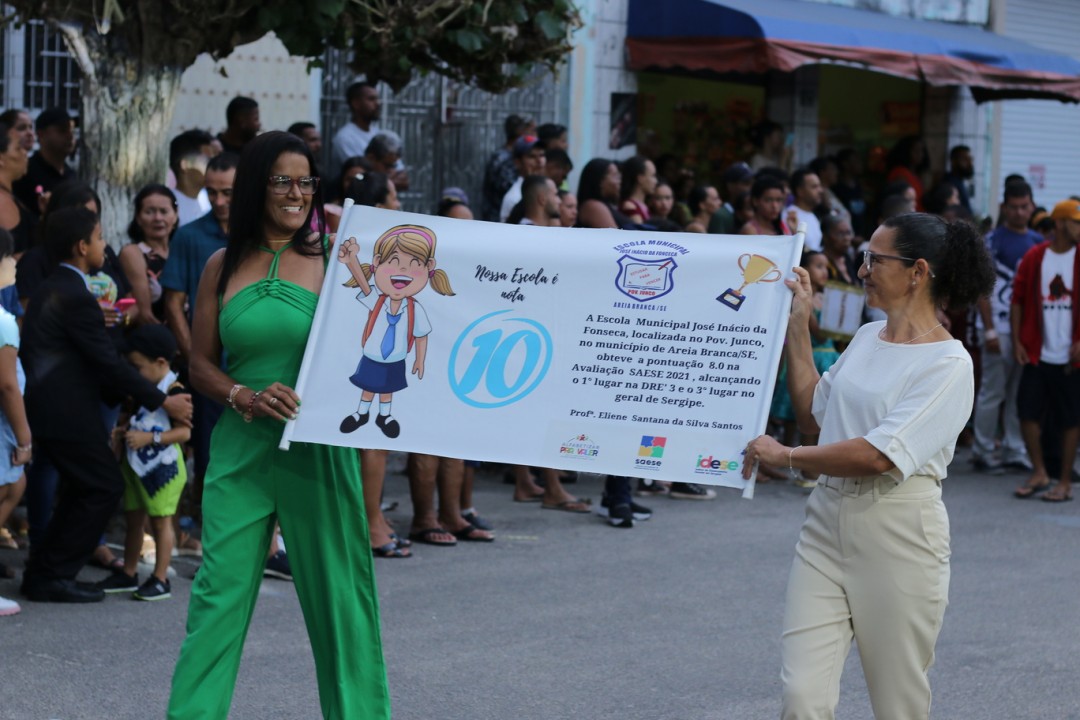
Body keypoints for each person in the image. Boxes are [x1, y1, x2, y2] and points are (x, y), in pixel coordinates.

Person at [168, 131, 390, 718]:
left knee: (340, 604)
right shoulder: (220, 265)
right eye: (282, 181)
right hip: (240, 451)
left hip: (317, 451)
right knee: (216, 600)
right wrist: (242, 395)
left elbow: (387, 324)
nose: (297, 193)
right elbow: (200, 364)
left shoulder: (336, 257)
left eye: (306, 181)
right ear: (256, 187)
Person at [744, 212, 994, 719]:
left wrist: (786, 456)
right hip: (824, 526)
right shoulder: (865, 337)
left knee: (897, 704)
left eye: (875, 260)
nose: (862, 270)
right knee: (802, 698)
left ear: (917, 271)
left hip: (900, 535)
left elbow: (879, 454)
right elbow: (813, 413)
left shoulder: (949, 364)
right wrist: (798, 326)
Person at [20, 206, 192, 603]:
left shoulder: (56, 287)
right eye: (99, 238)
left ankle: (45, 571)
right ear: (82, 246)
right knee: (102, 485)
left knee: (86, 486)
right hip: (66, 412)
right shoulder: (74, 294)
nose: (104, 245)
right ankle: (52, 575)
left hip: (54, 409)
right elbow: (106, 363)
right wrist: (162, 400)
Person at [98, 325, 190, 601]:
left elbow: (184, 433)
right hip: (134, 464)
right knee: (133, 520)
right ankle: (128, 572)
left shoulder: (174, 390)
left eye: (137, 367)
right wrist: (122, 430)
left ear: (160, 362)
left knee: (161, 522)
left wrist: (150, 438)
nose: (133, 373)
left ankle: (160, 578)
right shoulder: (142, 387)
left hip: (162, 468)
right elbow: (133, 416)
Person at [1010, 199, 1080, 503]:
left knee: (1071, 419)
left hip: (1071, 357)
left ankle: (1063, 481)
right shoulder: (1036, 256)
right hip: (1038, 352)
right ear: (1060, 224)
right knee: (1026, 411)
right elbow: (1017, 300)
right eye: (1076, 222)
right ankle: (1039, 471)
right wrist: (1017, 341)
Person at [972, 181, 1040, 475]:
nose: (1019, 212)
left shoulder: (1037, 242)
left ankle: (1014, 449)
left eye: (1024, 207)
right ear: (1004, 207)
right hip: (997, 326)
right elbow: (982, 288)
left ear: (1032, 206)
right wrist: (988, 329)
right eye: (1014, 207)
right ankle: (983, 450)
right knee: (993, 391)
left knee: (1017, 394)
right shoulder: (992, 241)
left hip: (1025, 331)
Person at [0, 227, 28, 614]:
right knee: (10, 486)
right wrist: (25, 438)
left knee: (15, 486)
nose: (15, 264)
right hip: (4, 427)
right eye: (10, 257)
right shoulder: (5, 322)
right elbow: (7, 385)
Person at [119, 184, 179, 324]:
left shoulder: (181, 251)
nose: (157, 218)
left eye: (164, 211)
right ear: (138, 218)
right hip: (154, 333)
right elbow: (144, 315)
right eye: (149, 212)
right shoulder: (133, 253)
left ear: (175, 215)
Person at [12, 107, 75, 217]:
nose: (70, 136)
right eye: (62, 130)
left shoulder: (72, 176)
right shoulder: (24, 172)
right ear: (41, 134)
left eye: (72, 131)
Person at [481, 114, 532, 222]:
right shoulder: (504, 160)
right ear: (520, 132)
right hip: (497, 219)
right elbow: (510, 192)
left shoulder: (503, 155)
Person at [0, 120, 33, 254]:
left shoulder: (7, 195)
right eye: (18, 148)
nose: (25, 153)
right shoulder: (2, 203)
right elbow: (11, 255)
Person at [169, 129, 214, 226]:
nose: (214, 166)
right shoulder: (168, 205)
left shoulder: (213, 201)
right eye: (207, 161)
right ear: (184, 165)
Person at [499, 135, 546, 222]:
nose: (539, 161)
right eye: (532, 156)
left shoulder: (550, 189)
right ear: (518, 162)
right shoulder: (514, 198)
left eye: (542, 155)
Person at [576, 158, 632, 230]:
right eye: (615, 176)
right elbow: (614, 235)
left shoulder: (605, 205)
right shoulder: (593, 207)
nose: (619, 182)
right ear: (600, 181)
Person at [707, 162, 754, 234]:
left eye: (752, 183)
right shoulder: (722, 215)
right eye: (746, 183)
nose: (750, 188)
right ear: (730, 186)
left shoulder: (754, 213)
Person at [784, 168, 824, 250]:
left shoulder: (813, 216)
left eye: (819, 186)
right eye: (814, 187)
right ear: (800, 191)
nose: (820, 190)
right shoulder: (789, 215)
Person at [885, 136, 929, 212]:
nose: (921, 154)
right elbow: (899, 202)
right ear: (906, 151)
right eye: (916, 150)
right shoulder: (900, 173)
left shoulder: (916, 174)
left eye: (922, 150)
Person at [832, 148, 868, 239]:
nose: (860, 164)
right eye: (856, 161)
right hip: (845, 237)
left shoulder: (859, 186)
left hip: (860, 235)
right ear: (845, 164)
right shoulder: (837, 188)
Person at [820, 215, 859, 287]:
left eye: (848, 233)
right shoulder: (820, 263)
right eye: (840, 233)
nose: (846, 238)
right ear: (826, 236)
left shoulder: (847, 259)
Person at [618, 155, 657, 224]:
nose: (655, 181)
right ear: (640, 178)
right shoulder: (630, 206)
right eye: (652, 176)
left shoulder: (643, 206)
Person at [943, 145, 974, 215]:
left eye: (971, 159)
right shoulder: (949, 183)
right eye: (964, 160)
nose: (970, 163)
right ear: (953, 161)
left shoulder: (960, 182)